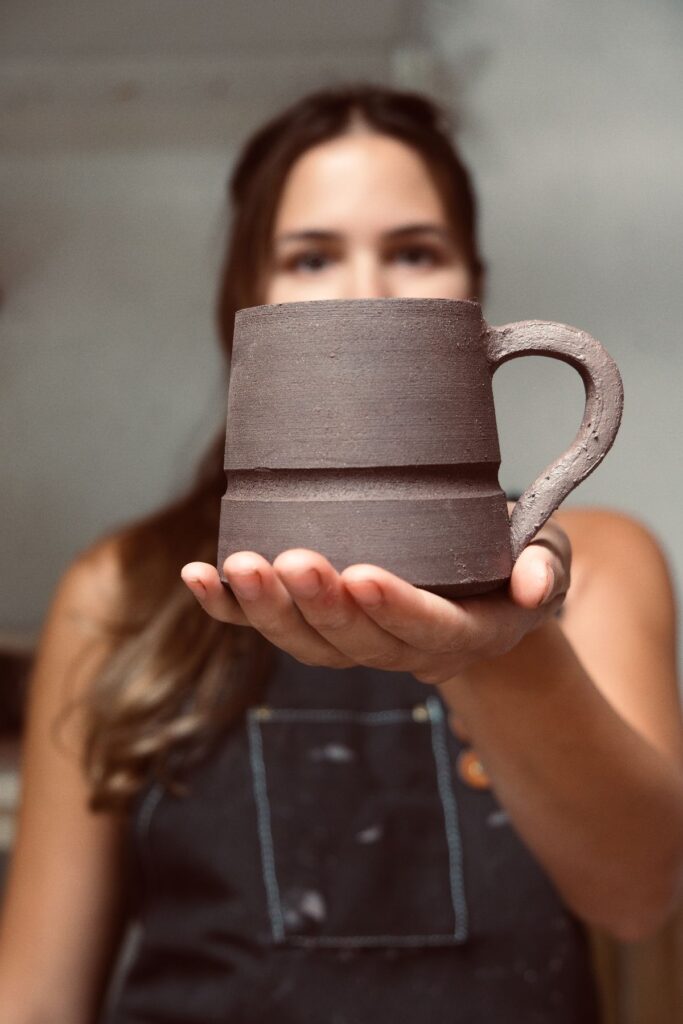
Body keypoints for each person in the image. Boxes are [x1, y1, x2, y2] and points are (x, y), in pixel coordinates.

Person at [0, 84, 682, 1024]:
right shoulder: (117, 594)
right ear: (251, 298)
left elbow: (642, 891)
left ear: (471, 293)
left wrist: (496, 652)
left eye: (414, 250)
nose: (367, 288)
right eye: (311, 256)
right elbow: (33, 998)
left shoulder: (587, 563)